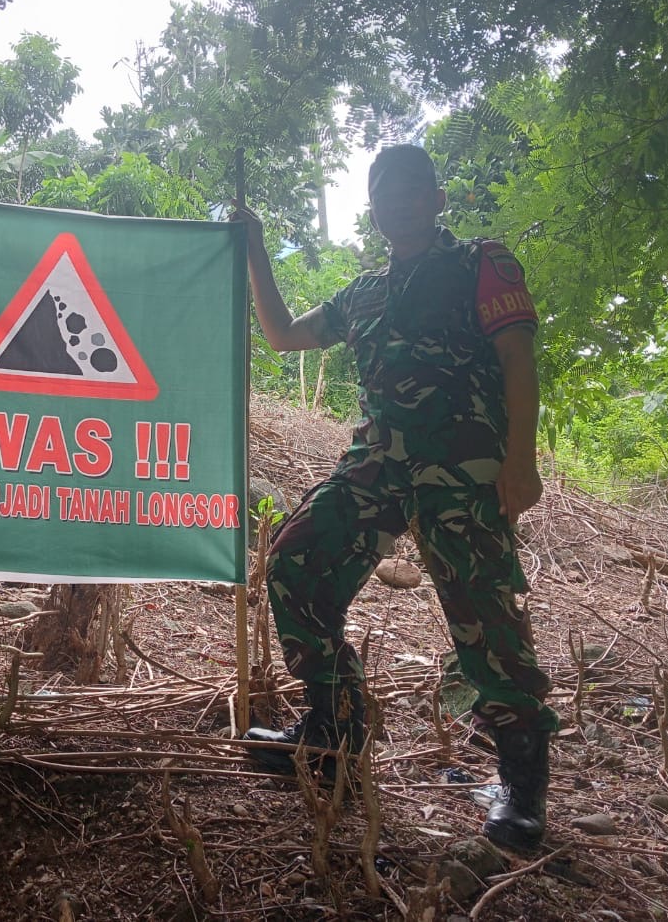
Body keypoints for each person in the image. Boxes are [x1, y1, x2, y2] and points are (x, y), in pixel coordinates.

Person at [237, 144, 558, 851]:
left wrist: (520, 460)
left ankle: (523, 780)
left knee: (486, 620)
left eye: (412, 187)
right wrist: (254, 248)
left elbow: (516, 359)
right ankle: (333, 730)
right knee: (295, 563)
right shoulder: (363, 294)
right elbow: (284, 334)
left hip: (462, 469)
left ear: (437, 198)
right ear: (372, 207)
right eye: (383, 189)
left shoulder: (482, 263)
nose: (398, 198)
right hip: (378, 465)